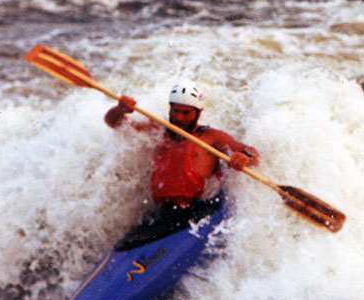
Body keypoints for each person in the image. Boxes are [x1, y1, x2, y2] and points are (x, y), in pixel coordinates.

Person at [105, 83, 259, 212]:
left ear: (198, 114)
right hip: (164, 210)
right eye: (175, 111)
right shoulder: (157, 129)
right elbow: (114, 123)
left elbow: (251, 152)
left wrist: (245, 157)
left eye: (186, 113)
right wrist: (120, 109)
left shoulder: (211, 137)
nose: (179, 117)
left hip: (197, 209)